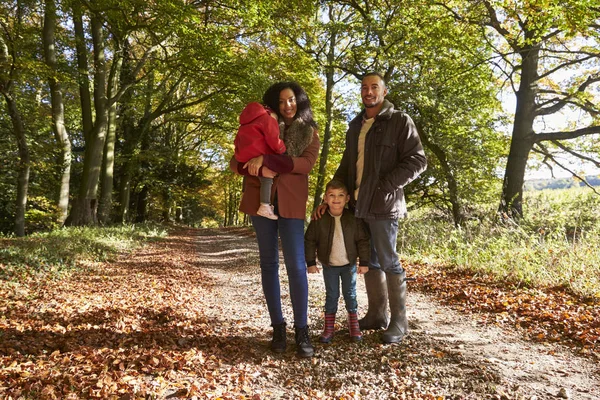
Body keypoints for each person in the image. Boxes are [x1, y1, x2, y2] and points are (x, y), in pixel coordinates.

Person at [315, 72, 427, 344]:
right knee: (369, 260)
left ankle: (400, 323)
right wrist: (328, 196)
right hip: (358, 207)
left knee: (389, 261)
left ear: (384, 92)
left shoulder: (400, 121)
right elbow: (345, 168)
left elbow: (417, 160)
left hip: (384, 205)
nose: (368, 91)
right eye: (364, 87)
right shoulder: (356, 126)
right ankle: (377, 315)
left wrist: (385, 186)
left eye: (374, 87)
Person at [230, 81, 320, 357]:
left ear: (299, 101)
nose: (287, 105)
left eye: (291, 99)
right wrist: (255, 164)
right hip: (261, 203)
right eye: (281, 101)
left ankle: (301, 329)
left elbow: (306, 164)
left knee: (296, 265)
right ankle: (278, 328)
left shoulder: (309, 131)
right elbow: (236, 162)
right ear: (274, 104)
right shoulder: (260, 124)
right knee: (268, 263)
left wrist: (268, 159)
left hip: (291, 203)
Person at [304, 179, 370, 343]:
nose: (336, 199)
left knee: (350, 294)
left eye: (340, 195)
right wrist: (311, 262)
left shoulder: (353, 219)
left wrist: (364, 262)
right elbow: (310, 240)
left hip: (349, 266)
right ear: (325, 198)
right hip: (330, 265)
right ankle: (329, 328)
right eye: (332, 195)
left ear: (347, 198)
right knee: (332, 295)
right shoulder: (319, 219)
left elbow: (362, 240)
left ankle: (353, 325)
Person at [234, 102, 286, 220]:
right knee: (267, 177)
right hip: (258, 153)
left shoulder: (244, 123)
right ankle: (265, 206)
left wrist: (239, 153)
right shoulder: (267, 119)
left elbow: (236, 141)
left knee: (249, 172)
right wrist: (281, 149)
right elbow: (273, 138)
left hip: (243, 155)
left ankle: (244, 193)